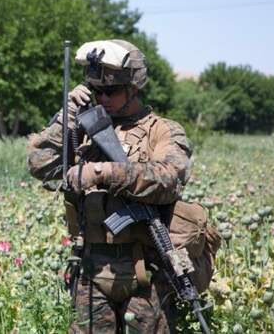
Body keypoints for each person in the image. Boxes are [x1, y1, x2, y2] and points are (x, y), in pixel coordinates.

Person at [27, 40, 193, 333]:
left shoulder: (162, 130)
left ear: (134, 87)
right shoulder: (83, 129)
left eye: (111, 91)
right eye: (96, 90)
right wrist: (64, 118)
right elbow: (40, 164)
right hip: (91, 270)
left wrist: (103, 172)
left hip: (147, 271)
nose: (102, 97)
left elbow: (169, 178)